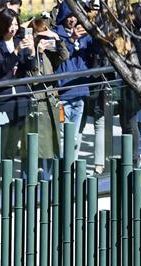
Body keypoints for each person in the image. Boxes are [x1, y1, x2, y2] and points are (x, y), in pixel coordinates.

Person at [0, 8, 36, 160]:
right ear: (2, 25)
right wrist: (16, 52)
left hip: (20, 100)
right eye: (10, 24)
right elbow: (2, 68)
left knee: (12, 147)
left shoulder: (19, 41)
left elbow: (29, 68)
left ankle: (7, 172)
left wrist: (32, 52)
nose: (14, 28)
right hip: (1, 101)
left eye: (16, 24)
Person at [27, 16, 68, 180]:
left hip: (52, 99)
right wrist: (37, 52)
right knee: (42, 144)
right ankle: (42, 178)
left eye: (45, 34)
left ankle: (52, 176)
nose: (44, 39)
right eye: (40, 35)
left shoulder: (50, 53)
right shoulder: (29, 53)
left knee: (54, 140)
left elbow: (64, 56)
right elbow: (34, 75)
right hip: (38, 102)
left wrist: (57, 38)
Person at [55, 5, 94, 157]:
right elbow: (60, 56)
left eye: (75, 16)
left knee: (76, 135)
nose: (72, 19)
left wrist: (95, 32)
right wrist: (72, 39)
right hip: (63, 93)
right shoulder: (55, 34)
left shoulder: (85, 34)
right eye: (69, 16)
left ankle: (71, 166)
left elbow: (97, 49)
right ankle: (61, 167)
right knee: (62, 135)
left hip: (81, 91)